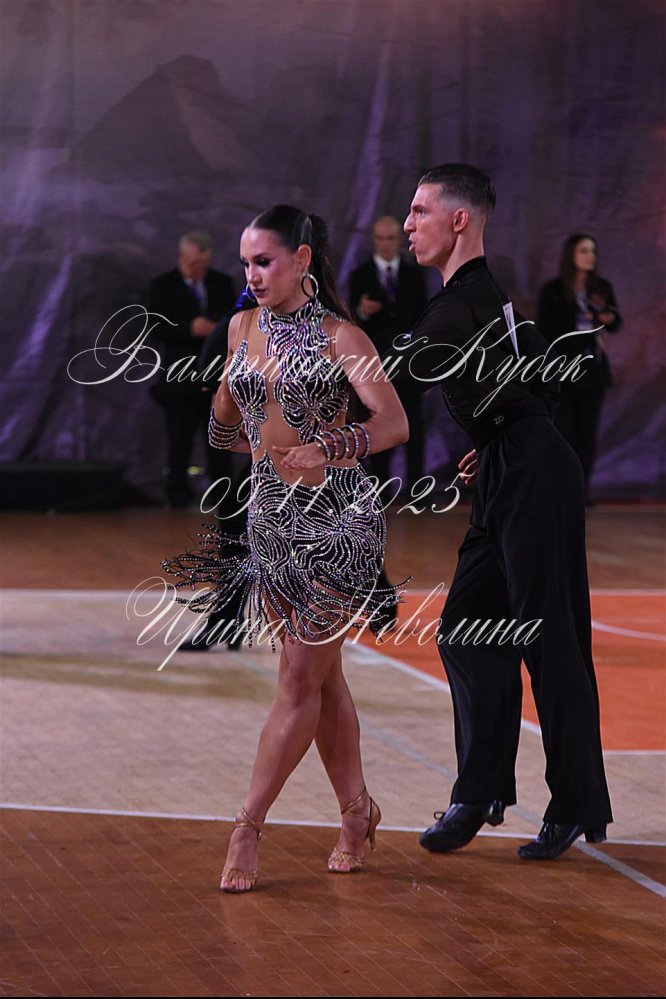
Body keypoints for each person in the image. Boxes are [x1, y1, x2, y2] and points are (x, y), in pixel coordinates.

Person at [162, 205, 409, 891]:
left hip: (338, 522)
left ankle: (247, 827)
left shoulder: (342, 336)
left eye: (264, 261)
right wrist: (227, 398)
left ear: (302, 260)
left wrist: (326, 446)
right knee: (320, 677)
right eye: (245, 262)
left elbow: (393, 422)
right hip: (269, 518)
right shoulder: (241, 327)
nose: (251, 274)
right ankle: (357, 813)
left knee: (298, 678)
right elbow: (225, 430)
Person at [399, 164, 613, 861]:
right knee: (466, 628)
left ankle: (575, 803)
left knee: (549, 641)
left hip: (532, 475)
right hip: (509, 467)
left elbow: (392, 378)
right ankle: (480, 789)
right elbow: (537, 380)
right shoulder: (488, 302)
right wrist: (496, 437)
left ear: (459, 219)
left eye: (420, 210)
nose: (409, 224)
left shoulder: (464, 303)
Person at [148, 231, 237, 507]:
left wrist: (218, 330)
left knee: (220, 438)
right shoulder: (163, 286)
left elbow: (237, 321)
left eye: (203, 264)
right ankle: (177, 495)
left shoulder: (221, 283)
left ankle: (223, 495)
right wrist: (189, 328)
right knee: (179, 438)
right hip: (179, 376)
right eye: (194, 263)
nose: (199, 269)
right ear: (180, 257)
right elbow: (154, 327)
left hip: (215, 375)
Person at [537, 234, 622, 502]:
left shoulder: (601, 287)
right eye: (584, 250)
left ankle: (581, 491)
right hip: (564, 370)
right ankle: (563, 489)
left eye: (593, 251)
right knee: (564, 433)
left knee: (587, 434)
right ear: (571, 254)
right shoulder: (553, 290)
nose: (590, 256)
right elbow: (545, 331)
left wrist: (607, 317)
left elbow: (615, 321)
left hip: (593, 370)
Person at [348, 216, 428, 491]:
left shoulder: (414, 276)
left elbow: (423, 320)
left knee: (414, 426)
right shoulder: (360, 276)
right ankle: (381, 491)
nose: (385, 244)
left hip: (408, 364)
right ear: (373, 240)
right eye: (380, 238)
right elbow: (350, 325)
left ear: (399, 240)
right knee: (377, 424)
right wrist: (362, 311)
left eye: (390, 238)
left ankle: (417, 490)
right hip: (375, 366)